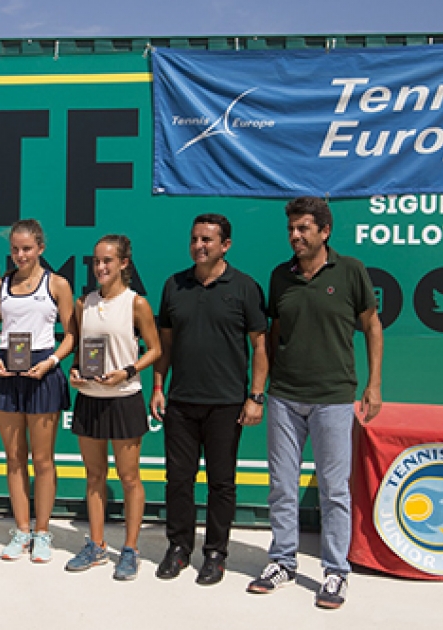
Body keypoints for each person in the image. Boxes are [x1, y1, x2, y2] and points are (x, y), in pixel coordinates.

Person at [248, 196, 383, 609]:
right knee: (281, 486)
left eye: (303, 228)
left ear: (324, 231)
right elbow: (271, 337)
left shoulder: (351, 271)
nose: (295, 235)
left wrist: (374, 384)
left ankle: (335, 572)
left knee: (334, 490)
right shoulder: (279, 276)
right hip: (285, 398)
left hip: (333, 399)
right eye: (291, 228)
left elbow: (372, 326)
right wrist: (261, 390)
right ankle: (282, 562)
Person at [151, 213, 268, 585]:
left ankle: (216, 553)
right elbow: (164, 345)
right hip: (181, 402)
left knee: (222, 482)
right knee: (178, 480)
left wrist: (255, 396)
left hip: (227, 403)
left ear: (225, 246)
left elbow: (260, 346)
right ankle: (179, 548)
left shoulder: (245, 287)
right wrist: (157, 386)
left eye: (208, 240)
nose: (199, 245)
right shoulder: (174, 285)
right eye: (195, 238)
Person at [64, 234, 160, 581]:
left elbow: (154, 349)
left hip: (125, 400)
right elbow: (80, 352)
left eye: (108, 260)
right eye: (96, 260)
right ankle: (97, 545)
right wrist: (75, 373)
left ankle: (131, 549)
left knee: (130, 478)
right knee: (94, 477)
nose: (100, 266)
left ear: (123, 264)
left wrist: (128, 371)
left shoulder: (137, 304)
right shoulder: (83, 303)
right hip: (89, 400)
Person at [0, 219, 74, 563]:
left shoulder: (58, 284)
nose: (20, 255)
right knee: (15, 457)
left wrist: (51, 362)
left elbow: (72, 336)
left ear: (41, 249)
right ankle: (21, 530)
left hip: (42, 372)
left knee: (43, 459)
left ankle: (43, 533)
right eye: (15, 249)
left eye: (27, 249)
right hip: (7, 371)